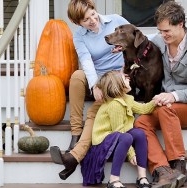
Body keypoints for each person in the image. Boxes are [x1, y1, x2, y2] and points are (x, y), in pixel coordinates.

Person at [134, 1, 187, 188]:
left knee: (165, 110)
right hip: (166, 105)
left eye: (167, 31)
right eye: (160, 31)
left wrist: (173, 95)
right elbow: (139, 58)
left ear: (180, 24)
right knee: (140, 123)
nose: (163, 35)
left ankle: (179, 168)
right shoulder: (158, 42)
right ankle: (163, 170)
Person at [49, 0, 129, 180]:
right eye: (86, 20)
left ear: (95, 9)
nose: (92, 20)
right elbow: (86, 62)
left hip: (119, 76)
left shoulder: (115, 20)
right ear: (78, 23)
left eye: (92, 14)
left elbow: (135, 37)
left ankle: (74, 156)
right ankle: (75, 133)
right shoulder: (79, 36)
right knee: (77, 76)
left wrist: (125, 49)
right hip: (98, 76)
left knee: (94, 111)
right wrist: (94, 85)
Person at [81, 70, 157, 188]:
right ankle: (113, 179)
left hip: (118, 136)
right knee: (126, 137)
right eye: (125, 78)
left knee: (139, 134)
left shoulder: (127, 98)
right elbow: (119, 131)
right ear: (117, 85)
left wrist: (157, 100)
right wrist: (131, 154)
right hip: (103, 141)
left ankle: (142, 177)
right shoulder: (115, 104)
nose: (129, 78)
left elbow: (144, 109)